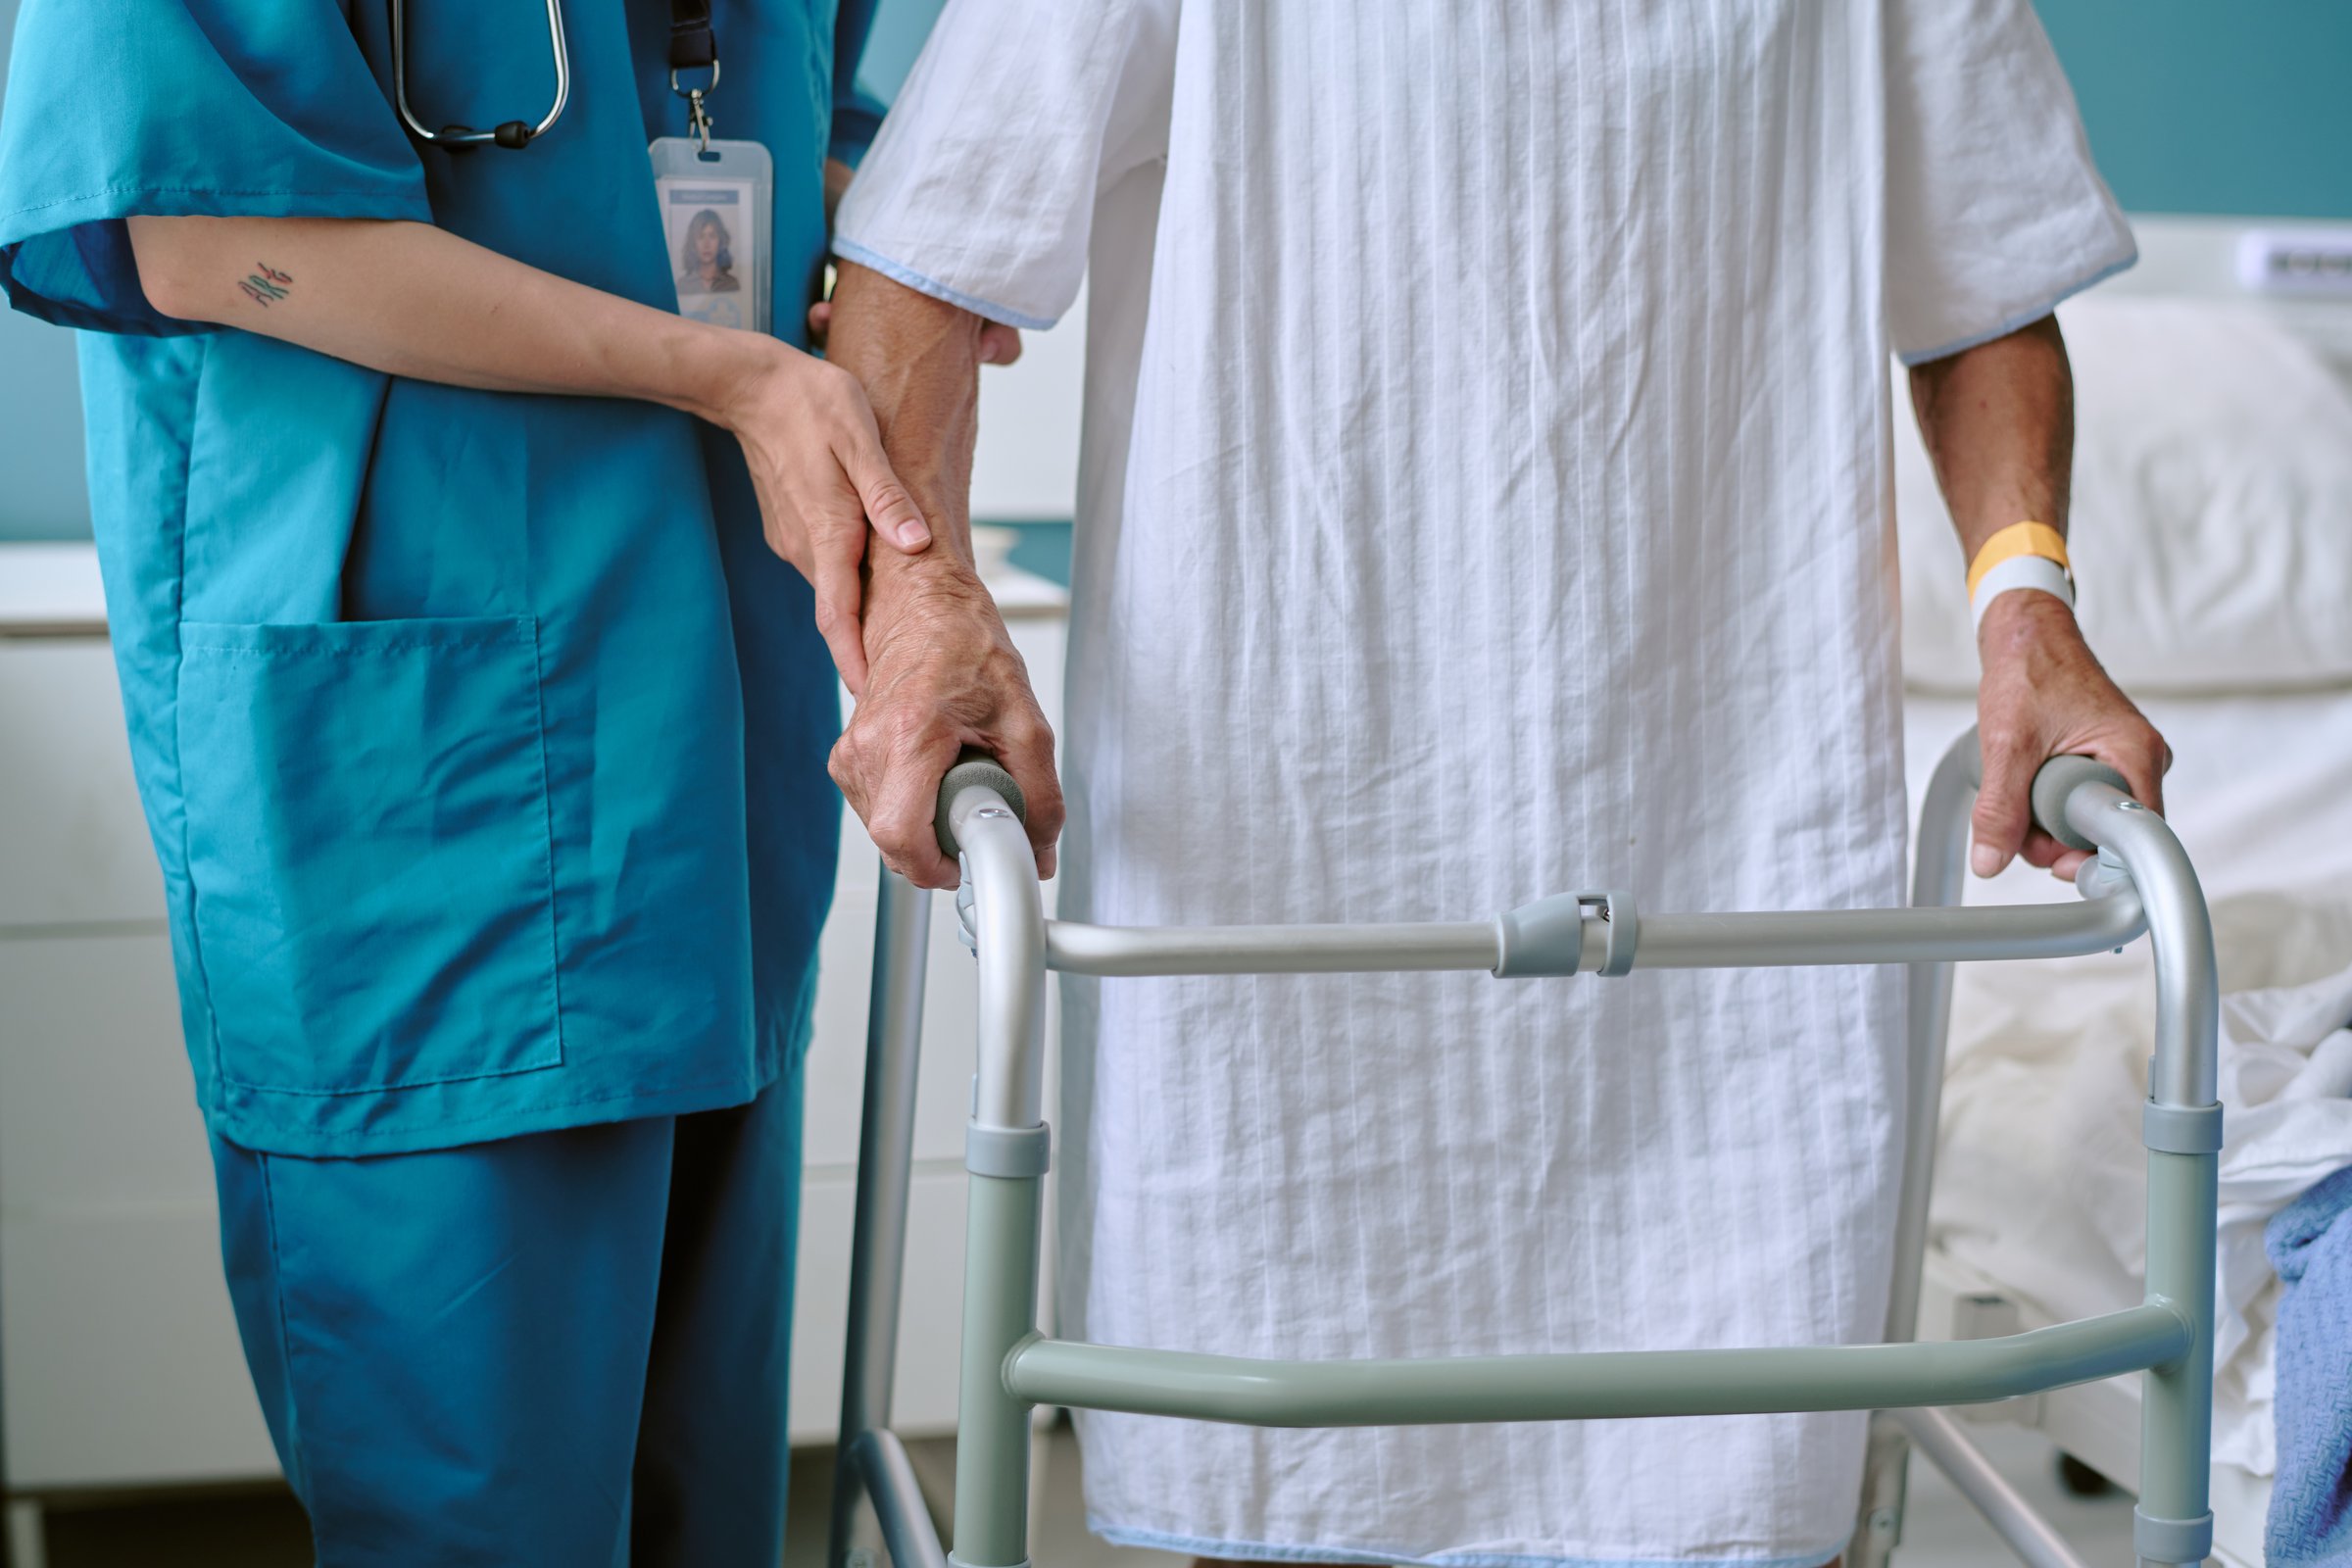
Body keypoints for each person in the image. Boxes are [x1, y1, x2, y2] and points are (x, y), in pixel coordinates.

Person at [820, 2, 2169, 1566]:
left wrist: (2028, 602)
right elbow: (923, 258)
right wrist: (928, 617)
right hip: (1290, 821)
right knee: (1293, 1457)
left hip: (1722, 829)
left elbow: (1981, 282)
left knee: (1716, 1472)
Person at [0, 0, 944, 1559]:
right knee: (477, 1502)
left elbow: (804, 108)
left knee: (698, 1495)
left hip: (708, 723)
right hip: (425, 780)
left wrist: (912, 247)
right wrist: (732, 376)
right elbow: (189, 222)